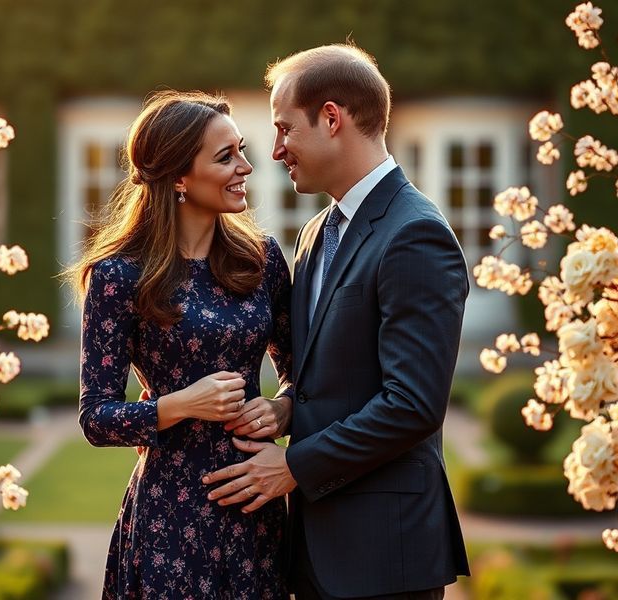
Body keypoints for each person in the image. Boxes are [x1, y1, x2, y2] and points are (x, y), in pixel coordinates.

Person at [204, 45, 470, 599]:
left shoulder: (414, 234)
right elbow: (327, 372)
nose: (274, 151)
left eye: (283, 130)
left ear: (331, 118)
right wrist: (284, 406)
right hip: (314, 549)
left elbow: (413, 404)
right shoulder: (317, 231)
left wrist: (294, 467)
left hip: (383, 558)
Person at [70, 91, 294, 600]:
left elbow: (304, 373)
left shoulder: (263, 262)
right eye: (225, 157)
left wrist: (282, 410)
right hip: (169, 519)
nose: (245, 167)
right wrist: (180, 404)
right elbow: (95, 418)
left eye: (241, 150)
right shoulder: (118, 277)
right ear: (177, 178)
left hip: (258, 504)